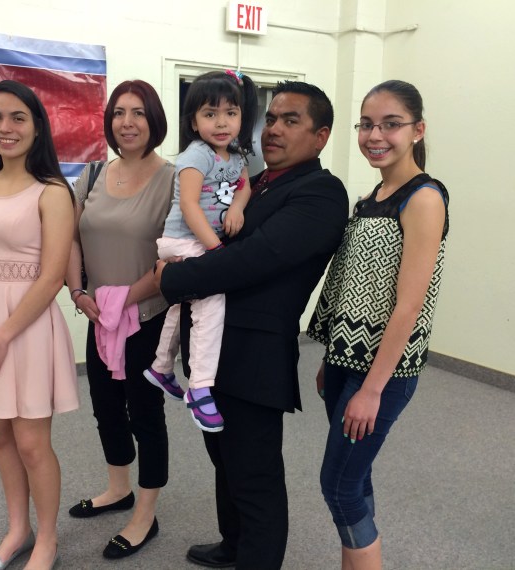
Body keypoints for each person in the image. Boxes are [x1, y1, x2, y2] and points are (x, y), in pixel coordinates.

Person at [155, 81, 349, 569]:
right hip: (215, 346)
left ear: (321, 135)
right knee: (224, 460)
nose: (275, 130)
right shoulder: (256, 179)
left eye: (292, 121)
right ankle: (233, 544)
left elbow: (252, 261)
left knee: (255, 475)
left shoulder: (320, 193)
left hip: (255, 355)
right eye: (273, 119)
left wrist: (173, 278)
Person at [307, 80, 449, 570]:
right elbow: (352, 286)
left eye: (391, 124)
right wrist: (331, 358)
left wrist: (371, 389)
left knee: (339, 487)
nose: (375, 135)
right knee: (355, 479)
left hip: (381, 375)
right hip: (347, 363)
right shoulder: (376, 193)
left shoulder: (424, 198)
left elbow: (408, 307)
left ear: (417, 130)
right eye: (367, 123)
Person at [0, 79, 78, 570]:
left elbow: (50, 279)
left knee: (30, 441)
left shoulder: (52, 192)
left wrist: (2, 337)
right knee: (0, 433)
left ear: (37, 126)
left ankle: (47, 540)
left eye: (18, 117)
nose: (6, 127)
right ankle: (17, 530)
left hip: (24, 329)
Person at [64, 80, 174, 559]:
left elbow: (174, 259)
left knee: (145, 414)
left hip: (146, 316)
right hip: (99, 315)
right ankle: (118, 489)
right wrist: (78, 291)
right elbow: (70, 239)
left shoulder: (174, 178)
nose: (127, 122)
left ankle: (145, 514)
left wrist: (124, 299)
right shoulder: (90, 174)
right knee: (106, 406)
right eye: (119, 113)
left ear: (154, 120)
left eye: (138, 113)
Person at [143, 70, 258, 433]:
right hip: (184, 238)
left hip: (199, 240)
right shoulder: (196, 155)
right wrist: (217, 250)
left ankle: (161, 367)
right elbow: (190, 207)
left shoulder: (236, 154)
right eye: (210, 114)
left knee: (183, 301)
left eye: (230, 113)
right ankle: (200, 387)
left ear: (242, 117)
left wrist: (238, 207)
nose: (221, 122)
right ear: (193, 122)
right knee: (212, 302)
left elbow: (244, 187)